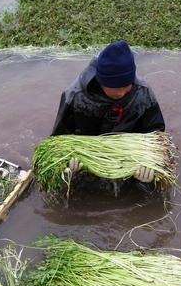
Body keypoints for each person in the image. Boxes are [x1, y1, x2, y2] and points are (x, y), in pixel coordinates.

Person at [51, 39, 165, 184]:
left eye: (127, 85)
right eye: (117, 88)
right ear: (101, 81)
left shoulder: (144, 93)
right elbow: (59, 138)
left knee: (143, 188)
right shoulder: (74, 96)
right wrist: (67, 165)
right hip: (89, 157)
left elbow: (156, 133)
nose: (123, 93)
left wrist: (148, 165)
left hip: (128, 157)